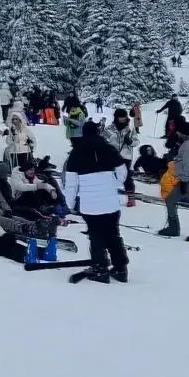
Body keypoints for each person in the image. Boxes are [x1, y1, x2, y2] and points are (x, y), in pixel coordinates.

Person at [63, 119, 128, 283]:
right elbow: (122, 171)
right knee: (113, 234)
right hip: (111, 202)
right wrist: (114, 183)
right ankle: (121, 268)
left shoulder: (76, 152)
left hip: (91, 204)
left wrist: (70, 205)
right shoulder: (108, 148)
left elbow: (71, 184)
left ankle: (100, 269)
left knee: (96, 236)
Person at [157, 121, 189, 243]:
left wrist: (184, 180)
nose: (176, 133)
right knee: (170, 199)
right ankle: (173, 228)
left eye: (178, 131)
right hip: (186, 178)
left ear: (182, 132)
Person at [103, 108, 138, 203]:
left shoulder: (130, 129)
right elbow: (103, 140)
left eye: (124, 117)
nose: (123, 119)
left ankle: (131, 196)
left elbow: (136, 142)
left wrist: (130, 142)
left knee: (126, 176)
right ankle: (109, 194)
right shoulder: (109, 129)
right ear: (116, 118)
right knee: (109, 175)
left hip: (125, 156)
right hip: (112, 156)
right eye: (121, 117)